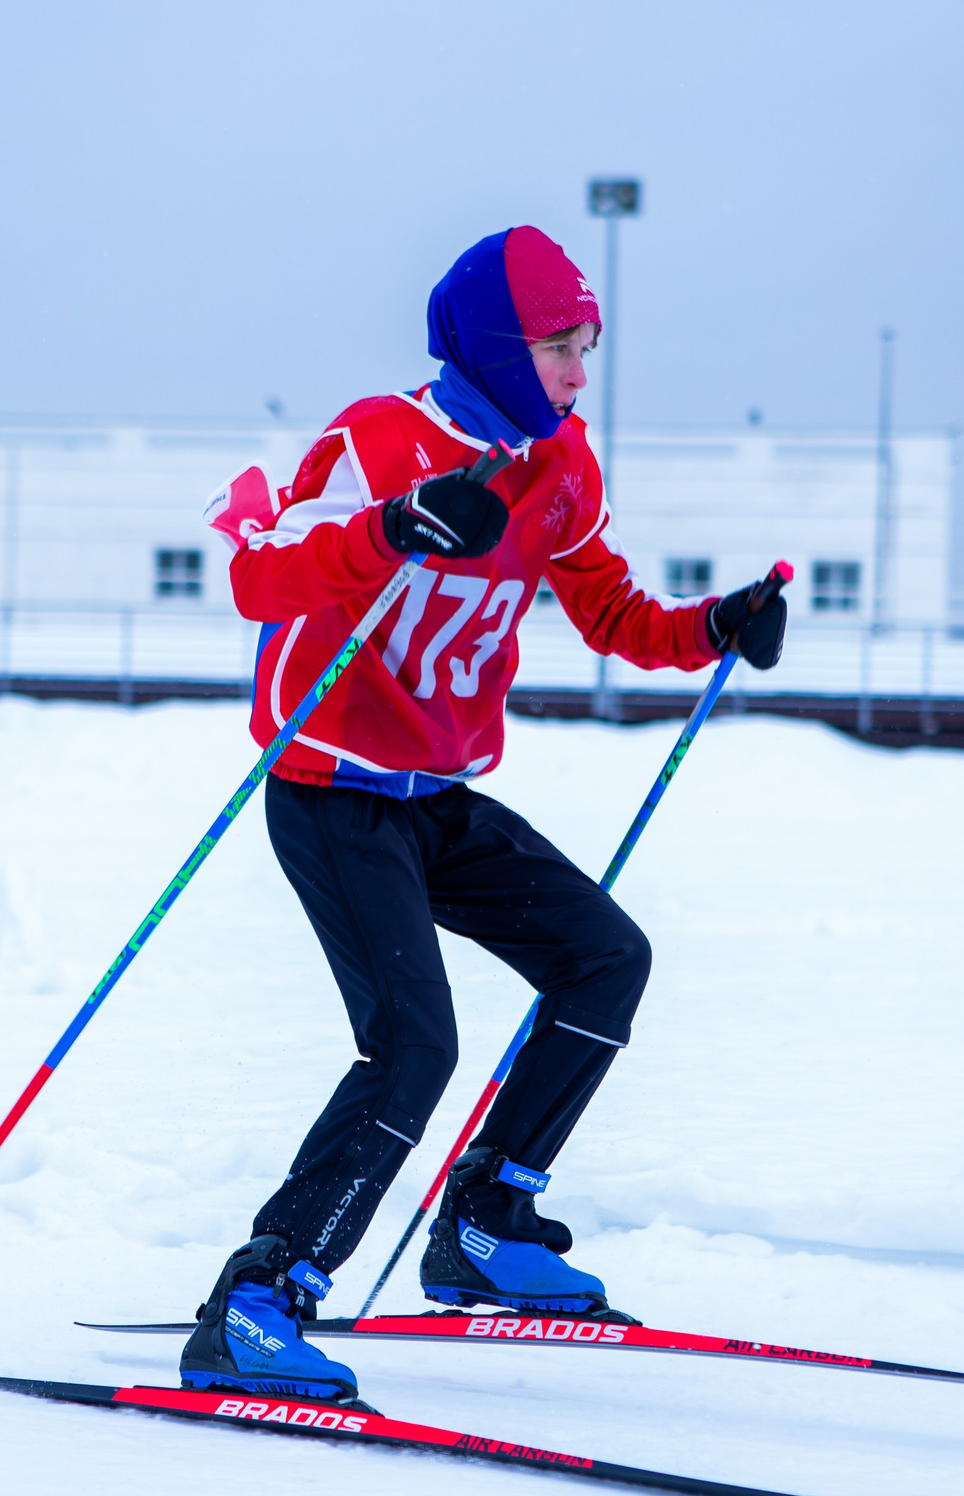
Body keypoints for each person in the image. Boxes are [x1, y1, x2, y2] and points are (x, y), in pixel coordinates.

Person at [177, 227, 789, 1402]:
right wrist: (391, 529)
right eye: (559, 346)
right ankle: (257, 1300)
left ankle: (483, 1225)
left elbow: (614, 616)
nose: (576, 370)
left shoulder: (561, 466)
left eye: (586, 346)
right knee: (415, 1045)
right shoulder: (377, 439)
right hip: (329, 791)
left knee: (604, 958)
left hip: (437, 799)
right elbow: (262, 573)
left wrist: (715, 626)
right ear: (496, 345)